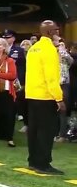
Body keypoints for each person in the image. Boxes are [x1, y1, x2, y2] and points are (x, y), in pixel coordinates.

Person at [26, 20, 65, 175]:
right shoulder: (49, 50)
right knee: (46, 131)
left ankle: (33, 161)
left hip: (32, 95)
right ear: (50, 32)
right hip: (45, 96)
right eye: (57, 30)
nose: (59, 33)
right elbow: (51, 78)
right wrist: (59, 98)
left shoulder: (33, 48)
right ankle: (43, 164)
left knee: (34, 130)